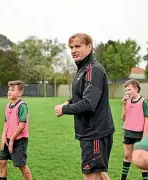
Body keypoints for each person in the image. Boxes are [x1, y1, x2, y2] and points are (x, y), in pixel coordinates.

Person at [54, 33, 115, 180]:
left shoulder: (93, 70)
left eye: (78, 46)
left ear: (89, 47)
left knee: (90, 175)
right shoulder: (83, 69)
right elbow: (81, 95)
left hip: (95, 133)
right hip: (92, 132)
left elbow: (89, 103)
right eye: (71, 47)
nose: (73, 50)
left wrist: (64, 109)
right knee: (99, 173)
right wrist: (69, 102)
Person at [0, 80, 32, 180]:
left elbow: (22, 125)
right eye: (9, 89)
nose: (9, 91)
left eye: (13, 90)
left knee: (21, 166)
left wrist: (12, 139)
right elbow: (6, 122)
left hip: (19, 141)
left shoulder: (22, 106)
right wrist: (3, 137)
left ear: (20, 93)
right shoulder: (7, 106)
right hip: (7, 139)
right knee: (1, 161)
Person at [120, 79, 148, 180]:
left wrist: (144, 136)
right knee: (127, 157)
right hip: (128, 133)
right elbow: (123, 118)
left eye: (129, 90)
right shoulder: (127, 101)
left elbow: (147, 120)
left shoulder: (144, 102)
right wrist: (124, 105)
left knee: (141, 159)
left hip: (139, 134)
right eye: (126, 90)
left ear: (136, 89)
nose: (127, 92)